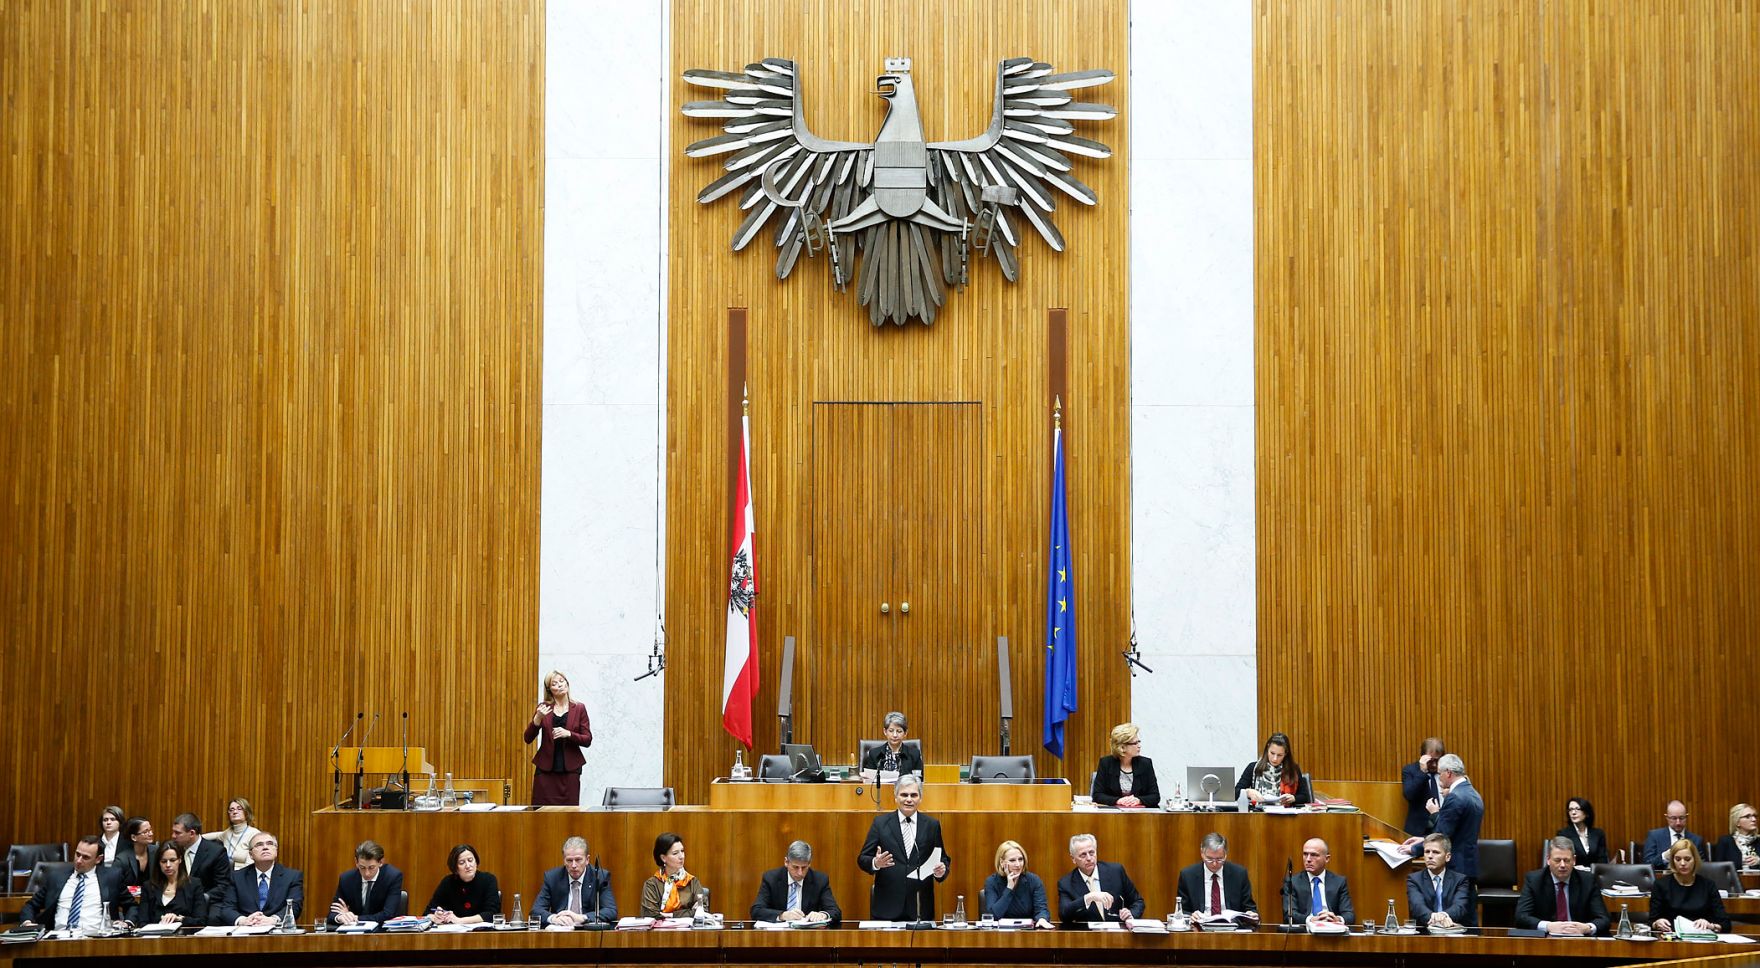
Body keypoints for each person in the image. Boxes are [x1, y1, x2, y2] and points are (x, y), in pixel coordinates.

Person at [1401, 753, 1482, 924]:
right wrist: (1421, 839)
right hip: (1469, 863)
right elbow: (1455, 830)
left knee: (1460, 918)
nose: (1438, 778)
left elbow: (1443, 835)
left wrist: (1416, 849)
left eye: (1440, 773)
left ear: (1448, 773)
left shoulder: (1455, 797)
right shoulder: (1473, 793)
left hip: (1457, 866)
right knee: (1468, 915)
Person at [857, 774, 949, 921]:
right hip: (887, 908)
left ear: (920, 798)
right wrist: (876, 863)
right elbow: (862, 859)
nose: (909, 799)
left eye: (913, 795)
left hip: (920, 908)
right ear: (896, 797)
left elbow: (942, 857)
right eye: (904, 795)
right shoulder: (880, 824)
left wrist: (941, 871)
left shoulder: (931, 825)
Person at [19, 836, 130, 932]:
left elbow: (131, 905)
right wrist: (27, 923)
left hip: (96, 941)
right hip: (58, 939)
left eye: (85, 857)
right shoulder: (56, 877)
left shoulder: (112, 877)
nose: (78, 860)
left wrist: (127, 923)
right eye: (77, 854)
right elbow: (31, 905)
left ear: (98, 859)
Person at [523, 670, 593, 806]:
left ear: (567, 684)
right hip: (545, 771)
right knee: (541, 813)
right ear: (550, 690)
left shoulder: (579, 708)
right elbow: (528, 738)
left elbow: (587, 739)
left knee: (569, 815)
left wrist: (569, 734)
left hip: (570, 771)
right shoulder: (543, 708)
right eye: (554, 683)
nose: (559, 685)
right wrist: (537, 719)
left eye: (562, 681)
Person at [1515, 837, 1608, 935]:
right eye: (1557, 860)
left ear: (1574, 860)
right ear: (1548, 860)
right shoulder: (1534, 880)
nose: (1562, 865)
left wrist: (1587, 928)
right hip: (1546, 940)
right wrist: (1548, 926)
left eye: (1567, 860)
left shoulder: (1587, 881)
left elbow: (1604, 919)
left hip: (1579, 939)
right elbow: (1521, 916)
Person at [1055, 833, 1144, 926]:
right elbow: (1064, 914)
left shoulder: (1116, 871)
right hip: (1087, 937)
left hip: (1119, 934)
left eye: (1091, 852)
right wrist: (1088, 898)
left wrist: (1131, 914)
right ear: (1073, 859)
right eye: (1083, 855)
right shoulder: (1066, 883)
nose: (1089, 858)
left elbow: (1138, 902)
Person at [218, 831, 303, 926]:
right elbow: (227, 908)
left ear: (276, 851)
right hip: (246, 931)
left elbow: (295, 906)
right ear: (251, 854)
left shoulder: (292, 876)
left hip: (278, 930)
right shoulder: (237, 877)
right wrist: (243, 920)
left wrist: (273, 920)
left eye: (270, 844)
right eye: (259, 845)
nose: (265, 847)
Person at [750, 840, 842, 925]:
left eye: (804, 867)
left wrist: (823, 915)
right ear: (786, 862)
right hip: (778, 937)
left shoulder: (820, 880)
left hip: (809, 937)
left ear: (809, 864)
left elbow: (835, 911)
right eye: (795, 867)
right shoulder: (771, 878)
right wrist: (783, 915)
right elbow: (756, 910)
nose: (800, 873)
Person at [1650, 837, 1731, 933]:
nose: (1683, 863)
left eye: (1687, 859)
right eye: (1678, 859)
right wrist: (1657, 923)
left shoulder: (1708, 885)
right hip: (1671, 938)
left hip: (1702, 937)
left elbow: (1725, 924)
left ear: (1695, 860)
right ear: (1672, 861)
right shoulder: (1661, 885)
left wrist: (1711, 926)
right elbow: (1652, 921)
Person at [532, 836, 616, 926]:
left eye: (578, 860)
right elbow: (536, 910)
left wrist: (582, 917)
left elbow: (610, 910)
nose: (574, 865)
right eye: (569, 860)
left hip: (588, 934)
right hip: (561, 932)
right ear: (564, 860)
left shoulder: (600, 877)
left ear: (587, 860)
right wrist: (553, 918)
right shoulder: (552, 878)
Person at [1176, 832, 1257, 922]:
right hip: (1200, 929)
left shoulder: (1239, 874)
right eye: (1209, 859)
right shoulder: (1188, 876)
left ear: (1225, 855)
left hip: (1232, 929)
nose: (1214, 864)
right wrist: (1191, 916)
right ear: (1202, 854)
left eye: (1219, 859)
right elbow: (1182, 911)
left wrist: (1251, 914)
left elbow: (1249, 908)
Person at [326, 840, 404, 929]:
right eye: (362, 867)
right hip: (354, 933)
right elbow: (332, 913)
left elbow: (388, 914)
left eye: (371, 867)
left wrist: (355, 918)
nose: (367, 873)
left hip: (383, 932)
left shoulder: (392, 876)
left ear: (381, 862)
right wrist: (340, 917)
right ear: (356, 862)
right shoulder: (346, 879)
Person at [133, 841, 208, 928]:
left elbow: (201, 920)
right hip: (154, 937)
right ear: (158, 863)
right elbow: (142, 922)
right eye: (164, 861)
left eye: (172, 860)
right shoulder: (148, 887)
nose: (168, 865)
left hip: (183, 937)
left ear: (180, 860)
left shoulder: (194, 884)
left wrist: (180, 919)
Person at [1406, 833, 1472, 929]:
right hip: (1425, 932)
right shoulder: (1414, 879)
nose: (1430, 856)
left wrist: (1444, 915)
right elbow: (1417, 906)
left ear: (1447, 857)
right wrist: (1433, 917)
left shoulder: (1460, 879)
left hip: (1452, 930)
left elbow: (1460, 906)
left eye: (1436, 852)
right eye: (1427, 852)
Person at [980, 840, 1052, 928]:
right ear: (1002, 862)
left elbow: (1041, 909)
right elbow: (993, 916)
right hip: (1000, 935)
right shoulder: (992, 882)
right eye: (1012, 860)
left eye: (1020, 859)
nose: (1018, 864)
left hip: (1027, 933)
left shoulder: (1033, 880)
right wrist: (1009, 888)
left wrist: (1042, 919)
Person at [170, 812, 234, 908]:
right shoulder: (173, 849)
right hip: (176, 900)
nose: (173, 836)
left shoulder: (216, 852)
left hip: (206, 902)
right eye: (173, 832)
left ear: (192, 833)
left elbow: (223, 886)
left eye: (177, 833)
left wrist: (201, 898)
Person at [426, 844, 501, 925]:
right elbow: (428, 912)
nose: (468, 866)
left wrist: (459, 920)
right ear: (455, 868)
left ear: (476, 861)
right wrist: (436, 917)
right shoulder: (447, 882)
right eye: (462, 863)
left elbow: (492, 914)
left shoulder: (488, 880)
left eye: (470, 860)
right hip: (453, 935)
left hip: (483, 933)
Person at [640, 832, 709, 918]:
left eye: (682, 851)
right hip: (660, 931)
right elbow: (650, 915)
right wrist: (689, 912)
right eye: (675, 853)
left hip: (688, 931)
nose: (681, 856)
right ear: (663, 858)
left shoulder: (692, 881)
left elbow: (702, 910)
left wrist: (670, 915)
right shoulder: (652, 884)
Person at [1092, 722, 1161, 809]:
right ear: (1122, 747)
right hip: (1113, 816)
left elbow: (1155, 796)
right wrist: (1118, 800)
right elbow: (1097, 795)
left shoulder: (1145, 764)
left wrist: (1138, 800)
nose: (1139, 746)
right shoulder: (1106, 763)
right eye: (1135, 743)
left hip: (1140, 815)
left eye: (1139, 742)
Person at [1289, 838, 1353, 925]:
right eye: (1305, 854)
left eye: (1314, 855)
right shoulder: (1292, 882)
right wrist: (1310, 920)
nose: (1308, 859)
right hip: (1305, 932)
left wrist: (1337, 919)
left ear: (1327, 859)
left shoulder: (1339, 882)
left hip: (1332, 930)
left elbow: (1349, 915)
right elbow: (1289, 914)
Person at [1234, 731, 1309, 806]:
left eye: (1280, 755)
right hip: (1259, 814)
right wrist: (1247, 792)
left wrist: (1294, 798)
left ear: (1286, 754)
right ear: (1267, 749)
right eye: (1272, 753)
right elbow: (1235, 793)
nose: (1275, 759)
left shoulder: (1293, 769)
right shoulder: (1253, 767)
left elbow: (1305, 797)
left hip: (1285, 814)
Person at [1400, 738, 1446, 837]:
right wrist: (1422, 772)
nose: (1434, 765)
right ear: (1422, 757)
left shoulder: (1447, 771)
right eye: (1431, 761)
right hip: (1418, 830)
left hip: (1442, 827)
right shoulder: (1410, 770)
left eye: (1437, 761)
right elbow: (1409, 795)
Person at [201, 797, 261, 870]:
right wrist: (197, 838)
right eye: (231, 810)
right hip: (225, 873)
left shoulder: (255, 834)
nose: (235, 812)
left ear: (246, 812)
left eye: (239, 809)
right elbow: (216, 835)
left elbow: (254, 864)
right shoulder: (227, 833)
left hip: (244, 875)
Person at [1644, 801, 1707, 868]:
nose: (1678, 823)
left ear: (1686, 817)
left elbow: (1702, 866)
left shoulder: (1697, 840)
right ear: (1667, 817)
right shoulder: (1654, 836)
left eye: (1681, 818)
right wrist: (1664, 857)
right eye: (1674, 818)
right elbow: (1646, 864)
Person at [861, 711, 924, 777]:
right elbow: (869, 781)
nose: (895, 735)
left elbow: (919, 780)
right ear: (885, 732)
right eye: (891, 731)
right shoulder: (874, 754)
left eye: (899, 731)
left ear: (905, 733)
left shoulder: (914, 755)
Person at [1557, 797, 1609, 867]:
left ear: (1586, 813)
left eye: (1577, 809)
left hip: (1594, 874)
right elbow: (1563, 859)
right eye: (1570, 810)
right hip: (1574, 874)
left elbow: (1603, 860)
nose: (1573, 813)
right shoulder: (1563, 834)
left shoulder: (1598, 834)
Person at [1711, 803, 1759, 870]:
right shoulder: (1725, 841)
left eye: (1755, 816)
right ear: (1737, 822)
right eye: (1747, 817)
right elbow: (1718, 868)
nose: (1754, 819)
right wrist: (1740, 861)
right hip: (1732, 880)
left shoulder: (1758, 841)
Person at [114, 816, 157, 889]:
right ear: (134, 837)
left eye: (150, 830)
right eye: (145, 832)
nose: (151, 834)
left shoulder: (156, 852)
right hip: (129, 899)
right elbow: (116, 886)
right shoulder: (121, 860)